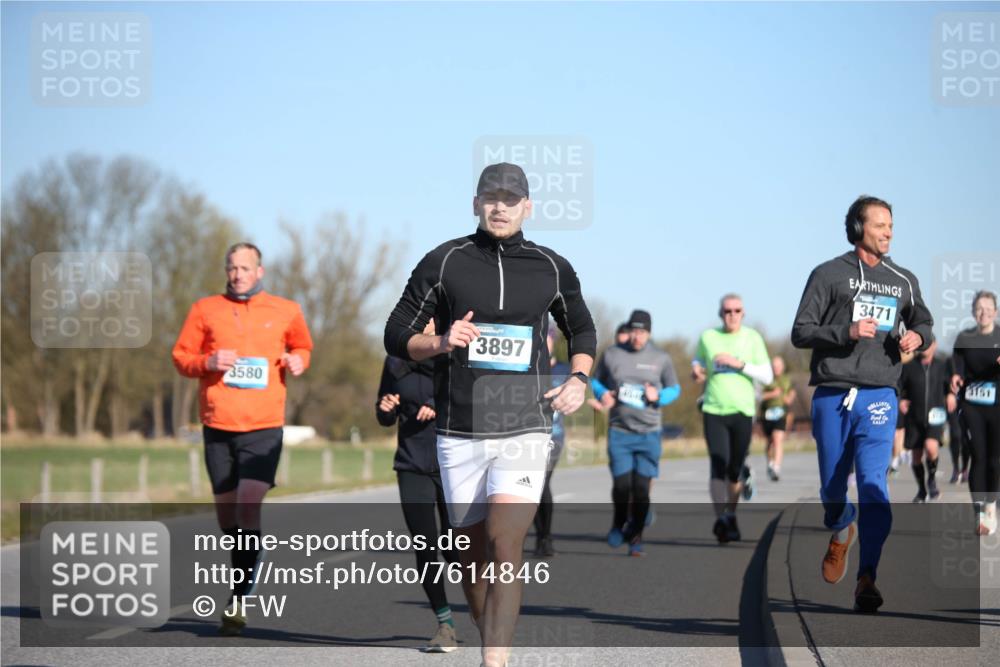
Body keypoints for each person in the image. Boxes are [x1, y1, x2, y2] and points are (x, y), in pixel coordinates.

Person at [383, 162, 597, 667]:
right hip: (460, 432)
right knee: (472, 561)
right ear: (475, 203)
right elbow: (395, 332)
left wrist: (579, 379)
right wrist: (439, 340)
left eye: (510, 198)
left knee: (507, 545)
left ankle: (493, 662)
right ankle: (488, 632)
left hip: (525, 425)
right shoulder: (444, 261)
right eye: (490, 197)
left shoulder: (552, 267)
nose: (500, 206)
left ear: (528, 206)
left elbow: (582, 330)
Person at [792, 195, 933, 613]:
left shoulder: (902, 280)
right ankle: (841, 529)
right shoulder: (827, 275)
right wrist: (846, 331)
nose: (888, 232)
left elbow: (922, 318)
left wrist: (917, 336)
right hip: (833, 393)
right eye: (880, 225)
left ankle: (867, 576)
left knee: (874, 484)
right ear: (858, 228)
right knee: (833, 488)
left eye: (891, 226)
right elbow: (801, 330)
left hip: (879, 395)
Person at [172, 242, 313, 635]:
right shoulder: (205, 309)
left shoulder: (286, 310)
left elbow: (302, 347)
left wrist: (299, 360)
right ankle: (246, 567)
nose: (238, 275)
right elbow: (181, 356)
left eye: (245, 268)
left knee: (248, 508)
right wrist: (207, 362)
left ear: (260, 271)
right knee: (228, 518)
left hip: (265, 426)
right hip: (218, 426)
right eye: (232, 268)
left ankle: (238, 598)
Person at [376, 320, 459, 652]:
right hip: (412, 463)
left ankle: (488, 610)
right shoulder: (395, 360)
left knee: (455, 548)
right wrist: (385, 409)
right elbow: (383, 413)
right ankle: (445, 624)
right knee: (425, 545)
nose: (424, 323)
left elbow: (476, 404)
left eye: (430, 317)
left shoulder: (457, 357)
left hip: (455, 464)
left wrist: (441, 409)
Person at [592, 309, 680, 556]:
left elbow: (675, 389)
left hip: (649, 433)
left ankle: (636, 536)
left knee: (641, 489)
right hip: (620, 432)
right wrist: (602, 394)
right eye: (634, 330)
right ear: (628, 330)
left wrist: (659, 396)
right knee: (622, 487)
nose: (637, 336)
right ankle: (619, 522)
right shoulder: (612, 354)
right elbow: (595, 380)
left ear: (649, 333)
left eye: (642, 331)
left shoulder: (660, 358)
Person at [693, 295, 772, 543]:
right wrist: (696, 369)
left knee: (734, 469)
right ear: (720, 313)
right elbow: (698, 360)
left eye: (737, 310)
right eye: (727, 310)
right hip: (714, 409)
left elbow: (767, 376)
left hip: (743, 411)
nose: (732, 314)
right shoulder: (708, 337)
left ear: (743, 313)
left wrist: (739, 364)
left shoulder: (753, 338)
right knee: (718, 463)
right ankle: (721, 519)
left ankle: (731, 514)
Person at [950, 290, 1000, 536]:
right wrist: (956, 377)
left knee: (995, 460)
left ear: (996, 312)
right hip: (971, 405)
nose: (984, 312)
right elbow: (957, 366)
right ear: (973, 311)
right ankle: (979, 511)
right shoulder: (964, 337)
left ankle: (992, 504)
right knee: (978, 457)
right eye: (979, 308)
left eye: (988, 308)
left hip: (998, 405)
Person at [532, 326, 571, 558]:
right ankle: (541, 536)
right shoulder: (529, 368)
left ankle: (545, 537)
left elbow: (575, 397)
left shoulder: (565, 369)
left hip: (553, 436)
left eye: (545, 339)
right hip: (528, 435)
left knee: (541, 483)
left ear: (553, 341)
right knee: (532, 488)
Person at [899, 340, 950, 503]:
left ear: (934, 345)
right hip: (914, 416)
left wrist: (950, 395)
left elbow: (950, 386)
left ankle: (932, 480)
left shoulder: (942, 366)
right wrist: (901, 400)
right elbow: (899, 388)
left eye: (928, 344)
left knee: (931, 446)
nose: (924, 348)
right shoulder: (908, 367)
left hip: (936, 415)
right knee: (916, 456)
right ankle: (921, 490)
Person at [760, 355, 796, 481]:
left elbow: (792, 392)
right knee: (769, 442)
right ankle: (770, 463)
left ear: (782, 367)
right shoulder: (766, 379)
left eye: (778, 366)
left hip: (781, 414)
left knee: (777, 439)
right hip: (767, 414)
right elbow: (759, 396)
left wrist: (789, 398)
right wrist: (772, 394)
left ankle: (776, 468)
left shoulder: (786, 380)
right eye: (774, 366)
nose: (776, 369)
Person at [946, 354, 971, 483]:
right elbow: (944, 381)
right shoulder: (951, 361)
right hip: (953, 405)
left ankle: (965, 469)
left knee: (966, 439)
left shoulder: (973, 359)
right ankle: (956, 468)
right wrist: (949, 394)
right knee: (955, 435)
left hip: (969, 404)